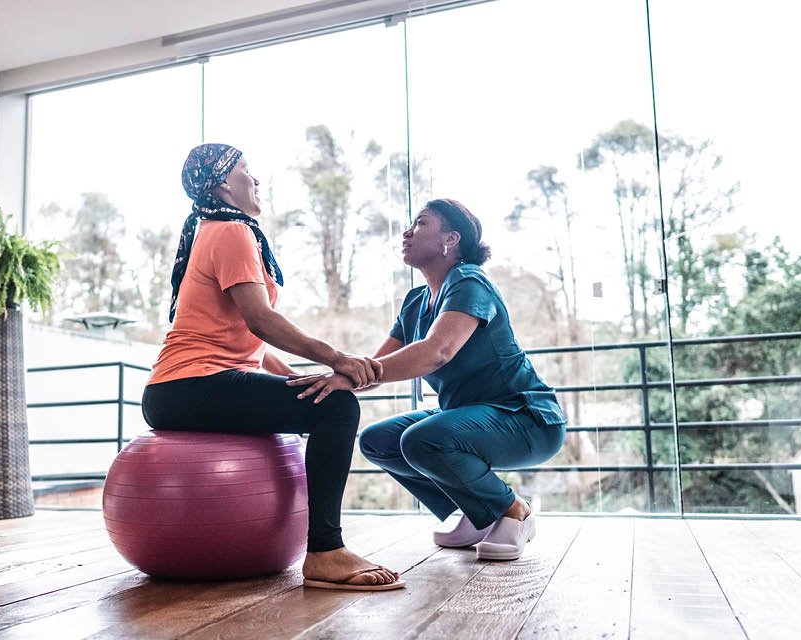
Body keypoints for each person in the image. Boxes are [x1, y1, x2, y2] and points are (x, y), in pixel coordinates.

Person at [142, 143, 404, 591]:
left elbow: (251, 341)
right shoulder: (229, 231)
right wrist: (337, 361)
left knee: (320, 398)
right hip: (191, 384)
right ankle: (325, 551)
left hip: (179, 389)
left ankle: (324, 548)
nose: (256, 179)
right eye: (246, 170)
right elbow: (260, 319)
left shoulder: (214, 229)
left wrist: (294, 379)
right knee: (337, 407)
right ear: (224, 182)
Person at [288, 198, 566, 561]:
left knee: (423, 440)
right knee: (378, 441)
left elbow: (437, 352)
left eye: (420, 224)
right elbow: (379, 364)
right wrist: (340, 377)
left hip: (526, 419)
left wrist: (357, 373)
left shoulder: (469, 281)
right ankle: (479, 512)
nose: (407, 232)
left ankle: (513, 510)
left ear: (450, 239)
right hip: (471, 420)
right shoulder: (415, 301)